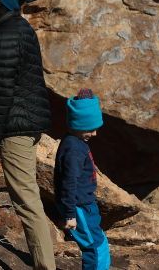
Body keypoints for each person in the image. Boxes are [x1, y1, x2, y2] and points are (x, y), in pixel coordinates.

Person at [0, 0, 55, 270]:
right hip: (26, 123)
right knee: (29, 198)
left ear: (0, 0)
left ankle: (45, 266)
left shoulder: (7, 35)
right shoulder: (19, 29)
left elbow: (1, 90)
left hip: (15, 128)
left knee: (27, 201)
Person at [54, 89, 111, 270]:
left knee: (99, 242)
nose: (95, 134)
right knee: (95, 247)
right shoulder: (73, 148)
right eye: (91, 129)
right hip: (79, 207)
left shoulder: (78, 142)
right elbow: (69, 181)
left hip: (86, 204)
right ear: (78, 125)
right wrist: (70, 214)